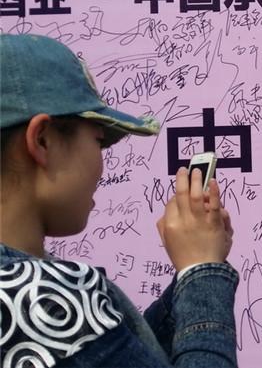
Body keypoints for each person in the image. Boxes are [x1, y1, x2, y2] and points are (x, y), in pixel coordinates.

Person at [0, 34, 238, 367]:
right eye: (99, 142)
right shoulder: (37, 298)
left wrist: (190, 275)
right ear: (42, 140)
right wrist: (202, 270)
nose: (102, 163)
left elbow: (119, 356)